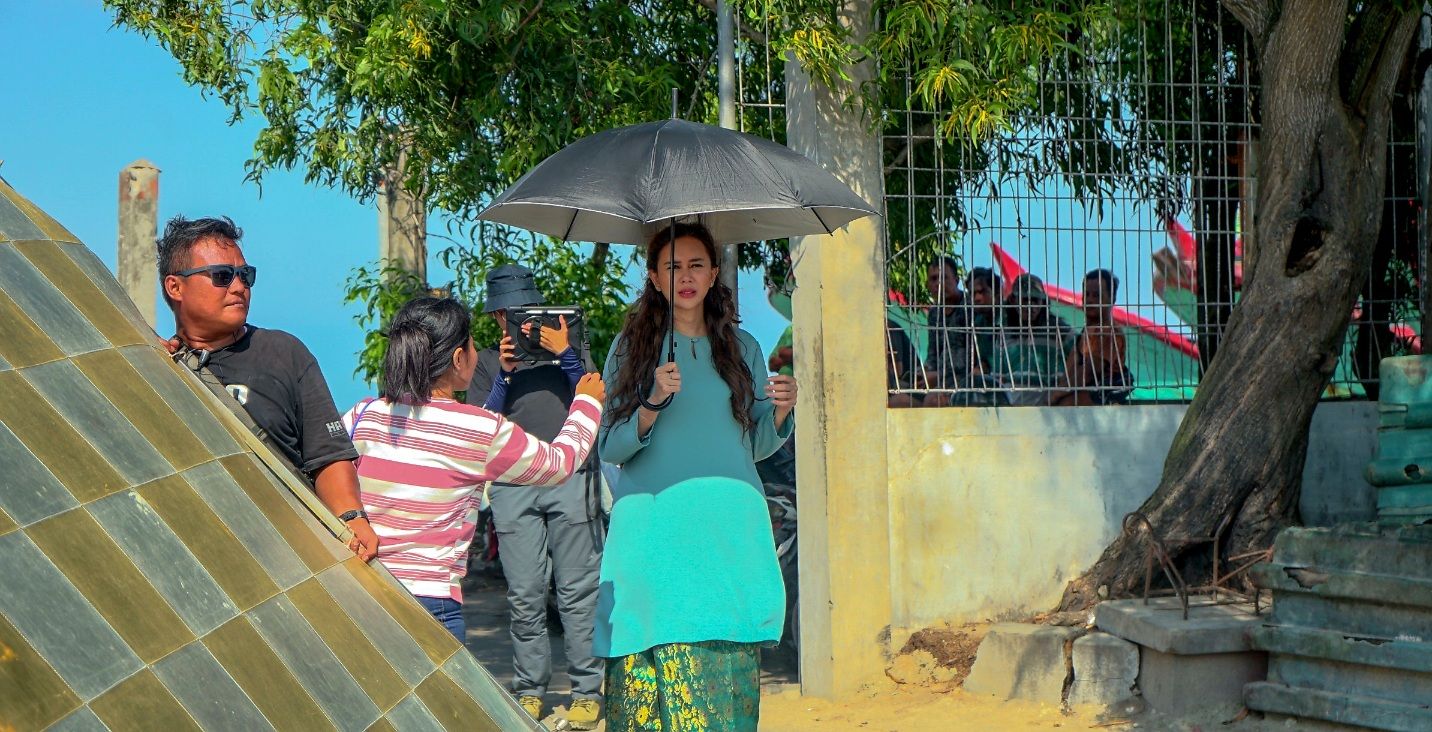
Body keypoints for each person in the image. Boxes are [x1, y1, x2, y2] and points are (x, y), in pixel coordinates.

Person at [598, 222, 797, 731]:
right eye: (672, 266)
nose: (684, 276)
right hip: (655, 535)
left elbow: (752, 444)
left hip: (728, 533)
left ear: (713, 275)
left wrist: (778, 412)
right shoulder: (632, 349)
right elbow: (610, 445)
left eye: (695, 265)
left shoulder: (743, 348)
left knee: (722, 674)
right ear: (654, 279)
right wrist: (650, 404)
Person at [343, 297, 604, 651]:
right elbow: (558, 464)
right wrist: (587, 403)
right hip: (430, 603)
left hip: (357, 591)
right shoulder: (479, 430)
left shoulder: (363, 415)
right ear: (457, 359)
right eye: (470, 344)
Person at [159, 215, 379, 561]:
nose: (238, 287)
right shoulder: (160, 367)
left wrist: (352, 518)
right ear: (175, 287)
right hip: (193, 557)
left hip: (283, 554)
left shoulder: (285, 354)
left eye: (245, 276)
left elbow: (328, 455)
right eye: (221, 276)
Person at [464, 264, 605, 729]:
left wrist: (565, 354)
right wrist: (504, 375)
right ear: (495, 317)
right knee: (524, 594)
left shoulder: (571, 344)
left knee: (578, 591)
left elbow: (592, 393)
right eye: (507, 313)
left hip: (570, 477)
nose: (517, 321)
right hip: (512, 485)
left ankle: (587, 692)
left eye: (523, 310)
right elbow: (479, 426)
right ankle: (529, 690)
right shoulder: (486, 361)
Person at [1055, 269, 1133, 405]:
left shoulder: (1108, 332)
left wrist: (1054, 395)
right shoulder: (1086, 332)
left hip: (1097, 400)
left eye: (1097, 295)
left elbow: (1088, 373)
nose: (1090, 300)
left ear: (1112, 299)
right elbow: (1071, 370)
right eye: (1087, 294)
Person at [995, 273, 1075, 406]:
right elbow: (998, 375)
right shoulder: (1005, 333)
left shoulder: (1059, 330)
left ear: (1043, 302)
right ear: (1014, 300)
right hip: (1014, 404)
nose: (1030, 306)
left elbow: (1080, 357)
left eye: (1035, 300)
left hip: (1051, 402)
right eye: (1025, 300)